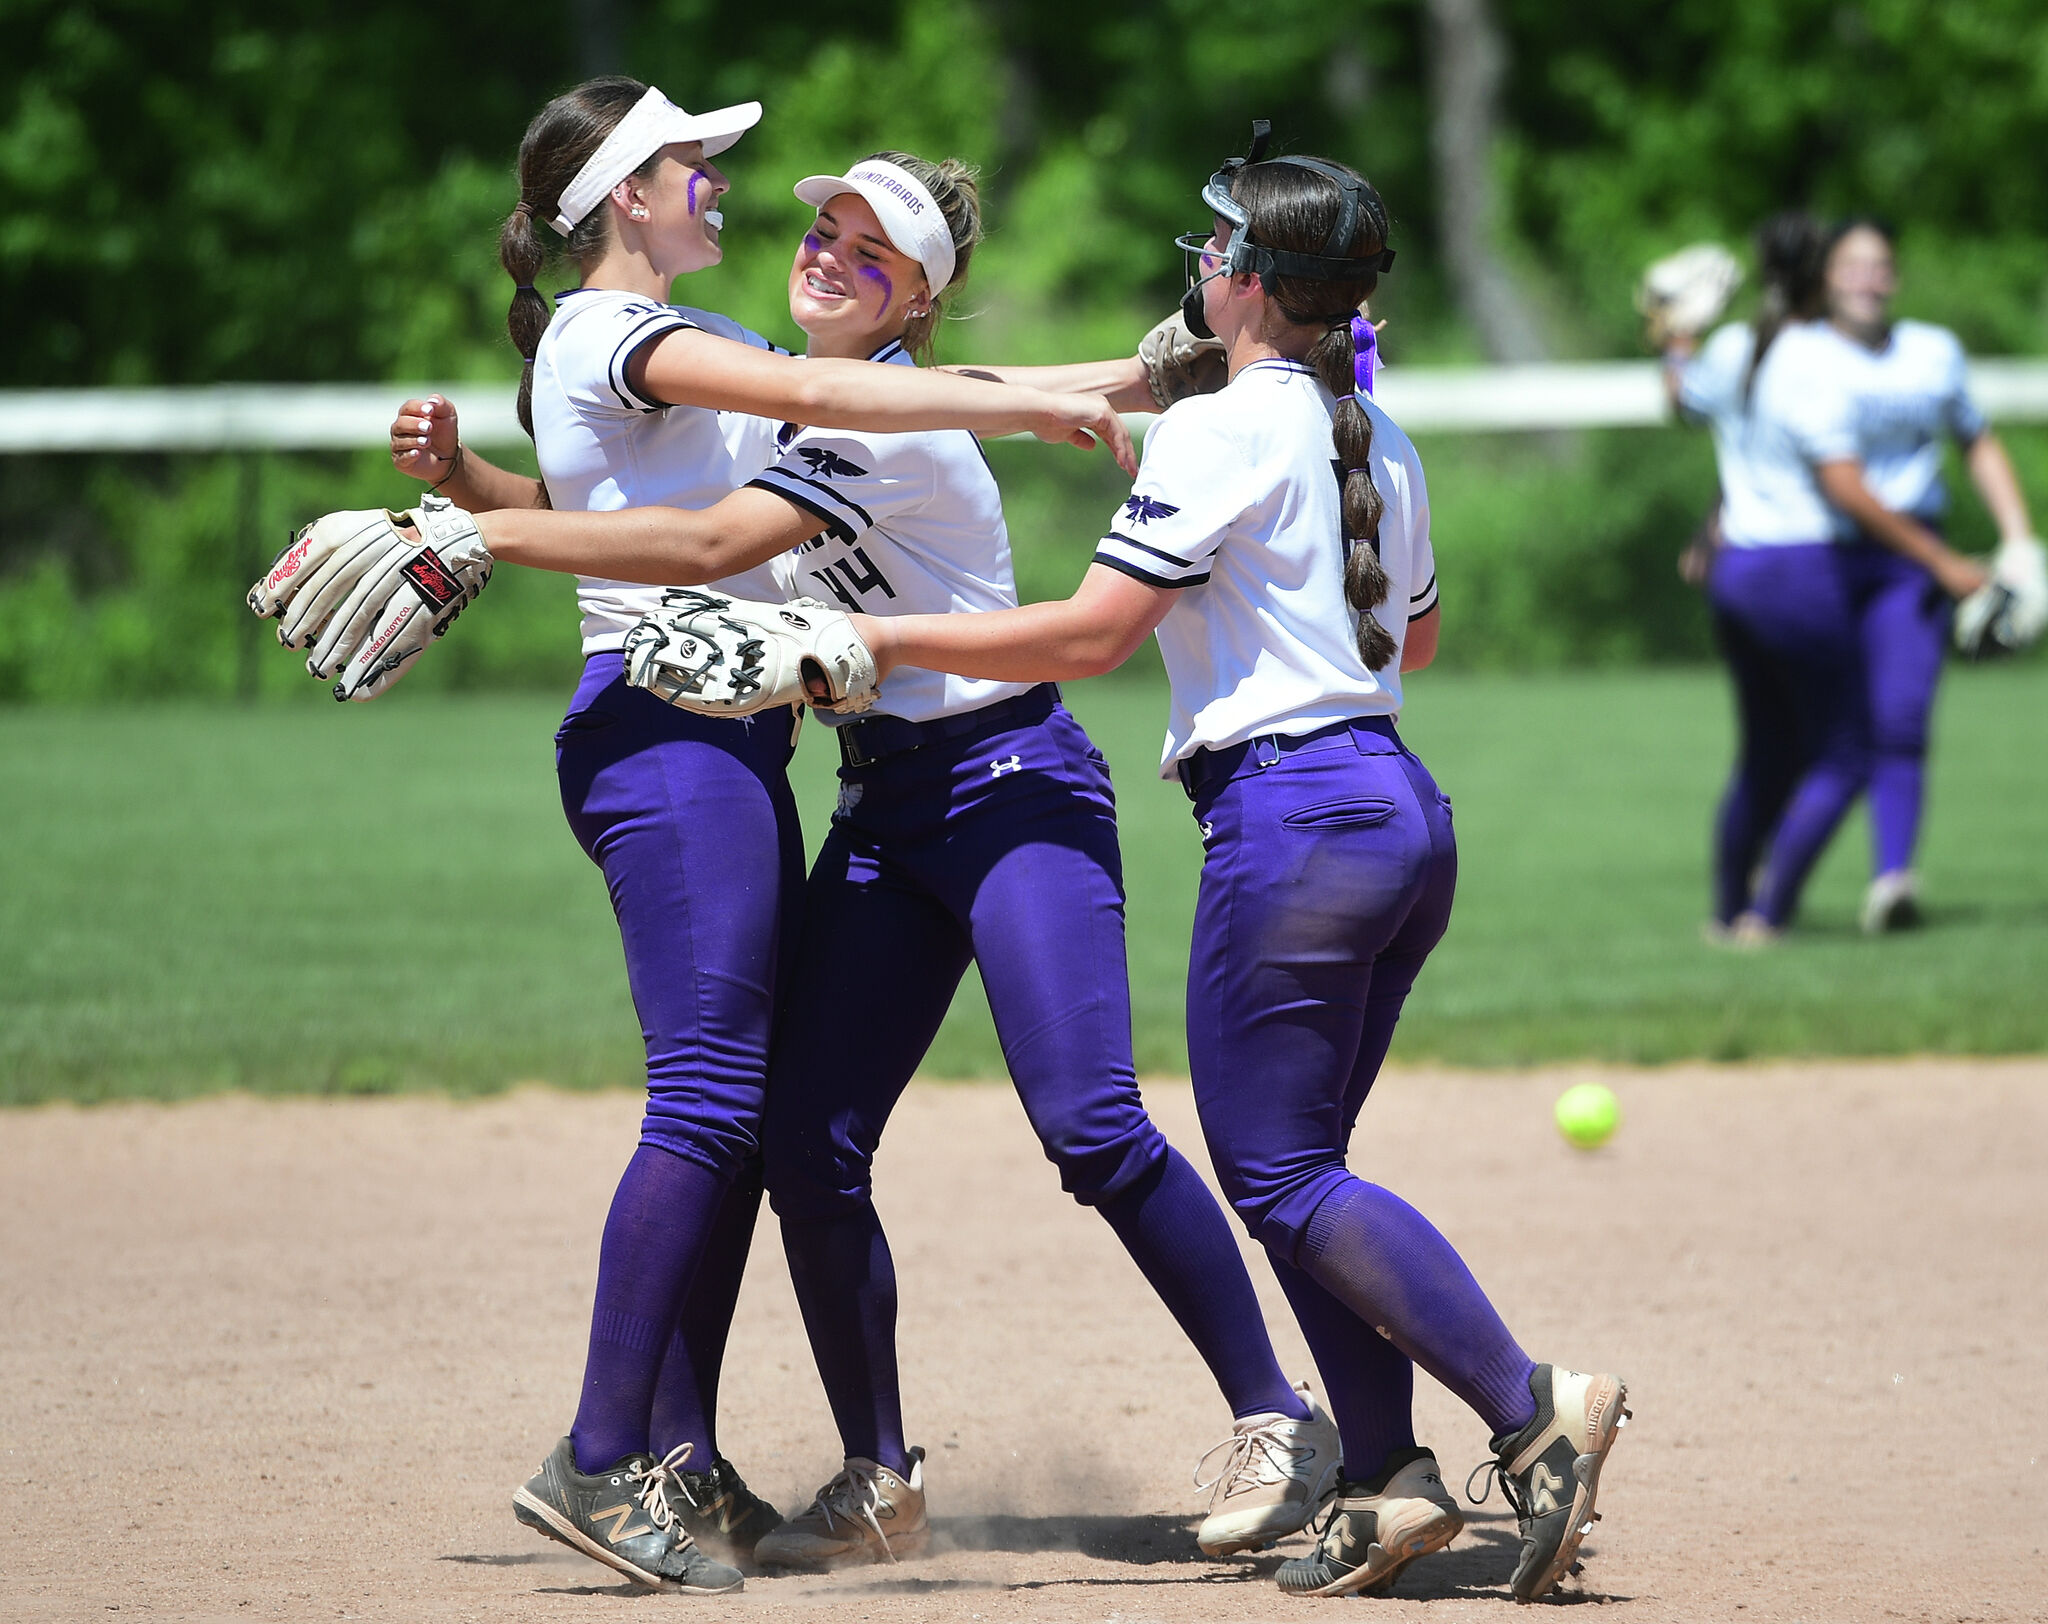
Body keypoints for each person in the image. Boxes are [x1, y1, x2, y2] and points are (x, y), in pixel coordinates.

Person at [414, 150, 1347, 1570]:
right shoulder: (803, 395)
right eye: (826, 230)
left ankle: (1281, 1417)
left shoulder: (871, 427)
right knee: (802, 1139)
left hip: (1010, 785)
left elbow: (712, 539)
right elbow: (638, 503)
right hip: (882, 809)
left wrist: (474, 534)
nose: (830, 253)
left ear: (916, 301)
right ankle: (881, 1472)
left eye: (875, 252)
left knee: (1090, 1126)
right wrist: (479, 482)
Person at [801, 135, 1629, 1603]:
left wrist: (888, 640)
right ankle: (1384, 1483)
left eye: (1214, 246)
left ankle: (1530, 1408)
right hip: (1399, 813)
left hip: (1294, 822)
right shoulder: (1376, 433)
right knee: (1300, 1172)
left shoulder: (1220, 431)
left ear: (1248, 283)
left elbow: (1085, 640)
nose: (1198, 262)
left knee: (1285, 1173)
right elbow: (1410, 642)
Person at [1663, 216, 1997, 939]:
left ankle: (1724, 915)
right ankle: (1768, 915)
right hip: (1797, 570)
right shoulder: (1813, 358)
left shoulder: (1731, 345)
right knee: (1850, 751)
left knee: (1765, 756)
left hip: (1736, 573)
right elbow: (1842, 482)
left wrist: (1671, 333)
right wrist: (1943, 561)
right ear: (1821, 277)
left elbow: (1683, 404)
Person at [1802, 219, 2035, 932]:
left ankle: (1892, 880)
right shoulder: (1803, 355)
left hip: (1909, 561)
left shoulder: (1931, 353)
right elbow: (1825, 478)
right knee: (1817, 738)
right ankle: (1768, 891)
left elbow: (1978, 442)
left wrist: (2020, 540)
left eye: (1880, 265)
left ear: (1895, 279)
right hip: (1823, 555)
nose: (1868, 278)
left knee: (1901, 719)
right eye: (1852, 264)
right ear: (1825, 278)